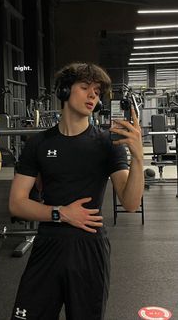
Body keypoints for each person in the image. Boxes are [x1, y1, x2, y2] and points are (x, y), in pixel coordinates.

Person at [9, 62, 144, 320]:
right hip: (48, 244)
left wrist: (138, 159)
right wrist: (62, 213)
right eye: (85, 88)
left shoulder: (108, 144)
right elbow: (16, 204)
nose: (93, 95)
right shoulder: (38, 144)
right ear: (64, 92)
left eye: (97, 91)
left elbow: (129, 202)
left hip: (89, 249)